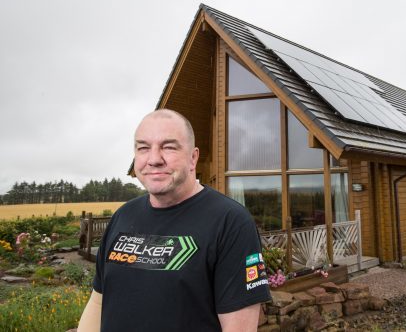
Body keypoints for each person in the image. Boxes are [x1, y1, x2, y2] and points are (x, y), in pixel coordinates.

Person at [78, 109, 271, 331]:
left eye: (168, 147)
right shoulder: (123, 216)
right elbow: (98, 302)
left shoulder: (230, 222)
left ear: (193, 157)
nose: (154, 159)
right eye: (143, 148)